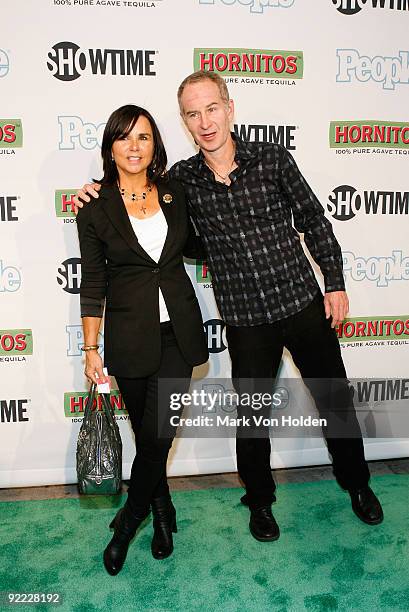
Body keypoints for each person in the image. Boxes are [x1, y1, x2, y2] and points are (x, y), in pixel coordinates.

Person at [75, 71, 383, 544]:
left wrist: (335, 282)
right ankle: (259, 501)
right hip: (243, 318)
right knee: (252, 418)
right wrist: (92, 191)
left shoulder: (272, 158)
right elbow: (136, 203)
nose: (205, 121)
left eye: (212, 108)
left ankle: (357, 485)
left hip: (301, 301)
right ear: (183, 122)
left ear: (230, 108)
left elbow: (314, 219)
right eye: (193, 114)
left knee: (333, 400)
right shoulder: (180, 181)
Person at [76, 104, 208, 575]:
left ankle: (129, 521)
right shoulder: (93, 206)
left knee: (157, 435)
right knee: (148, 437)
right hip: (129, 338)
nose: (134, 147)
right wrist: (90, 350)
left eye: (144, 138)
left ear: (156, 146)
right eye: (125, 138)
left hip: (179, 334)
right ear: (111, 146)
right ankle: (163, 511)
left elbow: (203, 239)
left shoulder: (176, 193)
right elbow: (93, 283)